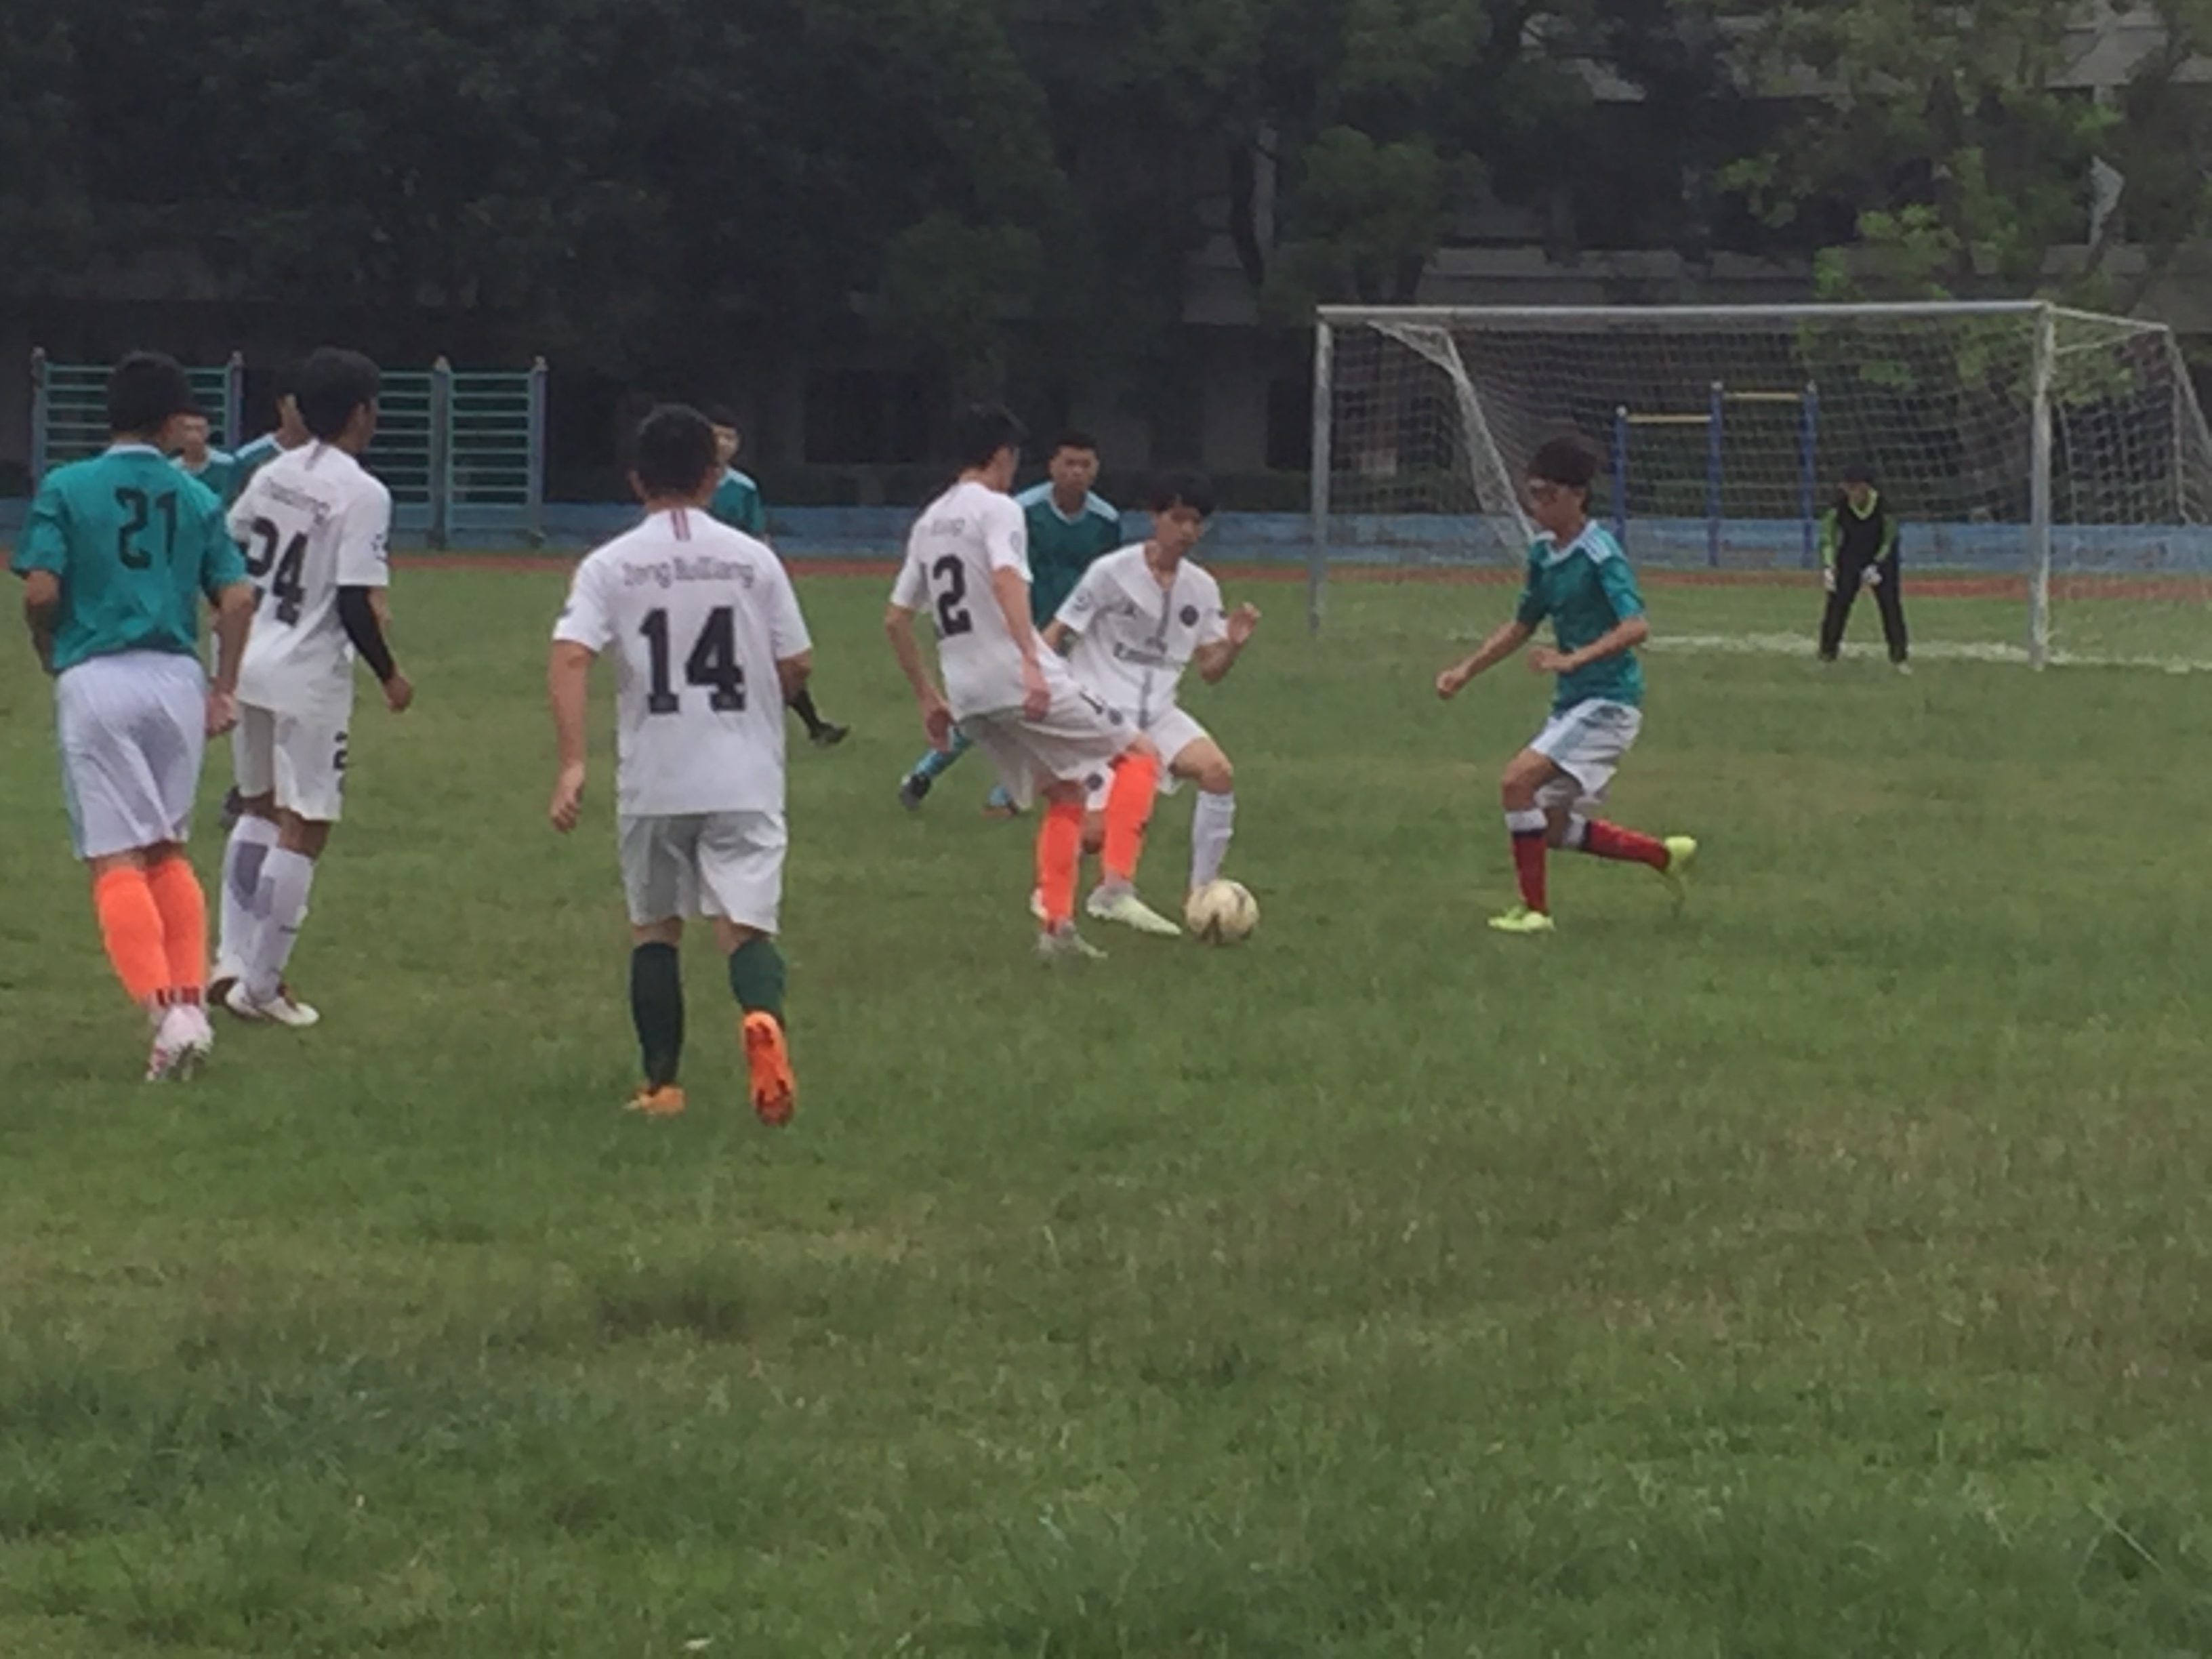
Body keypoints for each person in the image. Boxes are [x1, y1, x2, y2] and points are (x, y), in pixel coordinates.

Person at [548, 403, 810, 1123]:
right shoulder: (754, 559)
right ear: (713, 476)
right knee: (745, 925)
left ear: (636, 480)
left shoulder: (609, 565)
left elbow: (570, 656)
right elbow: (797, 661)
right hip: (744, 772)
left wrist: (572, 763)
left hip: (656, 774)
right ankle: (761, 1018)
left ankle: (662, 1086)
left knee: (655, 927)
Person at [11, 352, 257, 1078]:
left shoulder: (67, 486)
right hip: (175, 676)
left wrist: (49, 649)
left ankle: (166, 1015)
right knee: (167, 847)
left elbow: (39, 592)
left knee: (114, 857)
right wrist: (224, 686)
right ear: (171, 421)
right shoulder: (196, 495)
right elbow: (237, 598)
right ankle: (190, 1006)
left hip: (98, 674)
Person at [884, 405, 1176, 958]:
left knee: (1065, 794)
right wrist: (1030, 660)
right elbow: (1005, 578)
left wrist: (927, 696)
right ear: (1002, 456)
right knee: (1140, 754)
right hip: (1012, 677)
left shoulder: (930, 521)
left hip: (967, 693)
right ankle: (1116, 887)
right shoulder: (1000, 509)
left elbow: (896, 618)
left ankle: (1057, 931)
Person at [209, 348, 414, 1027]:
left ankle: (230, 959)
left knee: (257, 808)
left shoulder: (275, 471)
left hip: (249, 655)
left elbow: (228, 546)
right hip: (307, 670)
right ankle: (262, 986)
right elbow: (355, 600)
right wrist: (390, 673)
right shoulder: (363, 492)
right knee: (308, 820)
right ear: (362, 413)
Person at [1434, 432, 1696, 935]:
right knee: (1548, 827)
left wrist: (1575, 659)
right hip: (1575, 702)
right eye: (1532, 493)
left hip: (1610, 702)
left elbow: (1636, 627)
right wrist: (1466, 669)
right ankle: (1663, 856)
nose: (1536, 506)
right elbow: (1522, 624)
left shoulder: (1600, 553)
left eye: (1547, 495)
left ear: (1577, 495)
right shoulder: (1541, 553)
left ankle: (1535, 912)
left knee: (1516, 783)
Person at [1041, 472, 1259, 916]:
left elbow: (1210, 671)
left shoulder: (1201, 587)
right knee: (1095, 832)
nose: (1187, 531)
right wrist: (1039, 688)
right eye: (1178, 518)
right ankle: (1050, 894)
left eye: (1196, 522)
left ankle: (1202, 896)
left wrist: (1233, 646)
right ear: (1154, 517)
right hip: (1102, 715)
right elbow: (1057, 633)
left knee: (1217, 772)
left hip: (1157, 714)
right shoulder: (1111, 572)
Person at [899, 431, 1119, 815]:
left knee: (1008, 712)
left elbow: (1105, 576)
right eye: (1069, 463)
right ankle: (931, 773)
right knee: (1021, 710)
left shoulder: (1106, 519)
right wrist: (1028, 647)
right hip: (1020, 625)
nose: (1077, 473)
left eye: (1085, 465)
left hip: (1068, 624)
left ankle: (1006, 792)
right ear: (1051, 465)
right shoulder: (1020, 508)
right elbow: (1005, 575)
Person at [703, 405, 848, 748]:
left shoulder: (743, 487)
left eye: (730, 438)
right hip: (700, 580)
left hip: (736, 580)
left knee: (767, 652)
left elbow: (758, 536)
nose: (724, 444)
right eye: (718, 436)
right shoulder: (689, 484)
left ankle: (811, 725)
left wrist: (768, 575)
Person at [1817, 462, 1910, 672]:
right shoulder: (1838, 506)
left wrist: (1877, 565)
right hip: (1850, 556)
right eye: (1848, 488)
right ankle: (1827, 655)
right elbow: (1828, 536)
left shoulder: (1884, 507)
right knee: (1837, 604)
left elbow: (1890, 539)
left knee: (1890, 606)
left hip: (1880, 557)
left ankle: (1899, 658)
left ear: (1866, 487)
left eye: (1856, 488)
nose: (1852, 493)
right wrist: (1829, 566)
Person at [226, 364, 310, 504]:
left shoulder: (334, 457)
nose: (307, 411)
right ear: (281, 404)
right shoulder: (248, 459)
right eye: (299, 404)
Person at [171, 411, 237, 501]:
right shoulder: (172, 469)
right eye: (188, 429)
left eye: (199, 429)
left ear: (208, 432)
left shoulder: (227, 464)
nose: (194, 435)